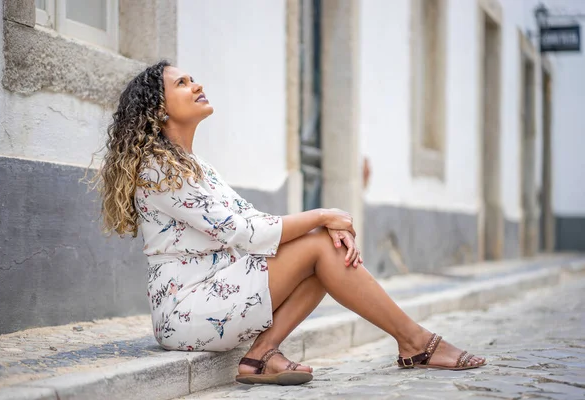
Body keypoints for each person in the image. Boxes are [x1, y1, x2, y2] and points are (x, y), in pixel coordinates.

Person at [94, 60, 486, 386]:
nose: (197, 85)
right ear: (160, 110)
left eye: (192, 78)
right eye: (182, 83)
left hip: (214, 292)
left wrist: (326, 224)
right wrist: (323, 216)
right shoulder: (159, 171)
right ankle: (416, 341)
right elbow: (245, 234)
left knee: (323, 252)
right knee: (318, 245)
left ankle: (263, 355)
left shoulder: (195, 167)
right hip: (185, 312)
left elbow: (253, 220)